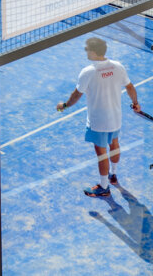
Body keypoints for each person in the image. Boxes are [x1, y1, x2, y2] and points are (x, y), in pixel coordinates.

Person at [56, 36, 141, 198]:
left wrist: (64, 106)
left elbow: (76, 96)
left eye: (87, 49)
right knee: (115, 144)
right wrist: (136, 103)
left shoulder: (88, 72)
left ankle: (104, 187)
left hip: (98, 122)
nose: (86, 51)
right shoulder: (118, 66)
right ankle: (113, 175)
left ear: (94, 53)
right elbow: (130, 87)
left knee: (101, 153)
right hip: (116, 118)